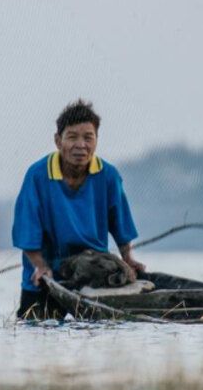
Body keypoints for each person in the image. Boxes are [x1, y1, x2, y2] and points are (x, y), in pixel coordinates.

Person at [12, 99, 143, 318]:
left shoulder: (108, 175)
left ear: (96, 141)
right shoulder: (37, 176)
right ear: (58, 141)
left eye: (88, 137)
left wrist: (127, 259)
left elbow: (120, 224)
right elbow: (27, 230)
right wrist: (40, 266)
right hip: (47, 273)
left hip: (92, 271)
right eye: (72, 137)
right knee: (35, 326)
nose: (81, 145)